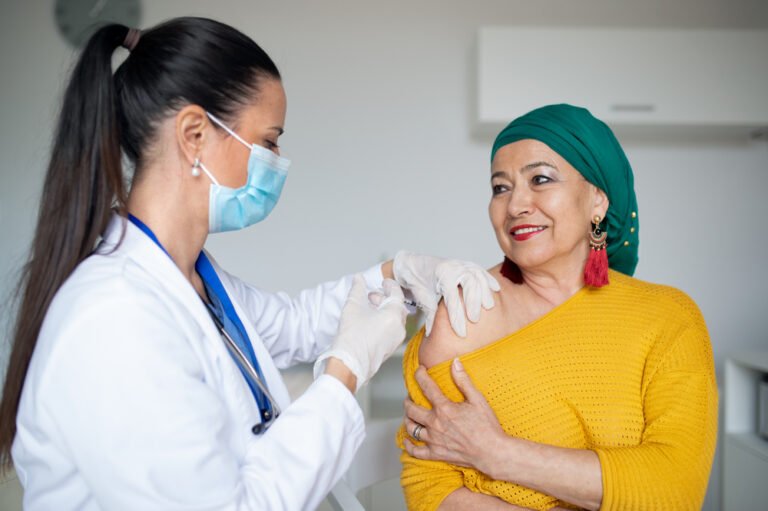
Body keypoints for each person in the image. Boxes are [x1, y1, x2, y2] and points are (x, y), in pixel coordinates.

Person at [0, 18, 501, 510]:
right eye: (268, 141)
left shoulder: (193, 279)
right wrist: (343, 374)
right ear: (194, 134)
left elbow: (293, 323)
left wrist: (400, 275)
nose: (279, 160)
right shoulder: (113, 317)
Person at [397, 104, 718, 511]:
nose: (515, 205)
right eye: (501, 187)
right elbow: (429, 488)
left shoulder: (669, 318)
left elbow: (675, 488)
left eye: (541, 179)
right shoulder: (463, 313)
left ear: (597, 201)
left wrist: (497, 453)